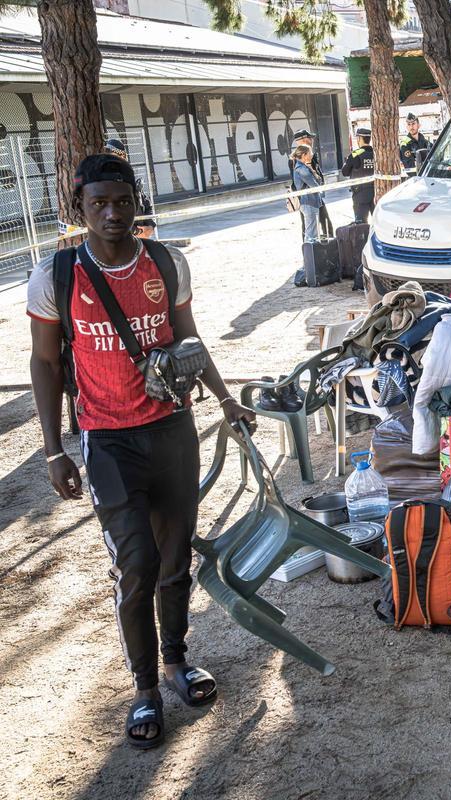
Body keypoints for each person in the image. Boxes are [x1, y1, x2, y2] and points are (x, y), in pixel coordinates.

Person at [26, 154, 256, 749]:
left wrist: (227, 401)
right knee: (136, 567)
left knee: (175, 557)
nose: (112, 214)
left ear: (136, 202)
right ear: (78, 209)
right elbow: (46, 363)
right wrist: (54, 449)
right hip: (106, 442)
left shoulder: (165, 262)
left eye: (122, 201)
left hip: (172, 430)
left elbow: (189, 340)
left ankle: (177, 663)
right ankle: (145, 689)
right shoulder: (55, 277)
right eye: (98, 203)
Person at [102, 138, 157, 239]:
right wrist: (137, 232)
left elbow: (147, 205)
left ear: (123, 158)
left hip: (141, 240)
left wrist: (150, 226)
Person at [290, 130, 333, 239]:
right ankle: (309, 251)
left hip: (315, 196)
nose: (312, 140)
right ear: (304, 140)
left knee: (324, 221)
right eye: (310, 138)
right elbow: (303, 181)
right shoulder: (297, 160)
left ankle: (327, 244)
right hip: (306, 197)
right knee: (309, 227)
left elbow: (318, 174)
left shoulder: (310, 155)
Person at [340, 126, 375, 224]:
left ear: (359, 139)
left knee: (361, 224)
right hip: (376, 192)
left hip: (360, 194)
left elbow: (345, 172)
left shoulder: (355, 154)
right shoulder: (376, 153)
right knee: (377, 221)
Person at [291, 144, 324, 243]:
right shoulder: (302, 169)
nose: (312, 154)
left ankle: (311, 254)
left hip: (310, 202)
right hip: (309, 202)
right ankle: (310, 255)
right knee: (311, 234)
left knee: (312, 232)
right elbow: (315, 185)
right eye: (310, 152)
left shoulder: (302, 167)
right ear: (304, 155)